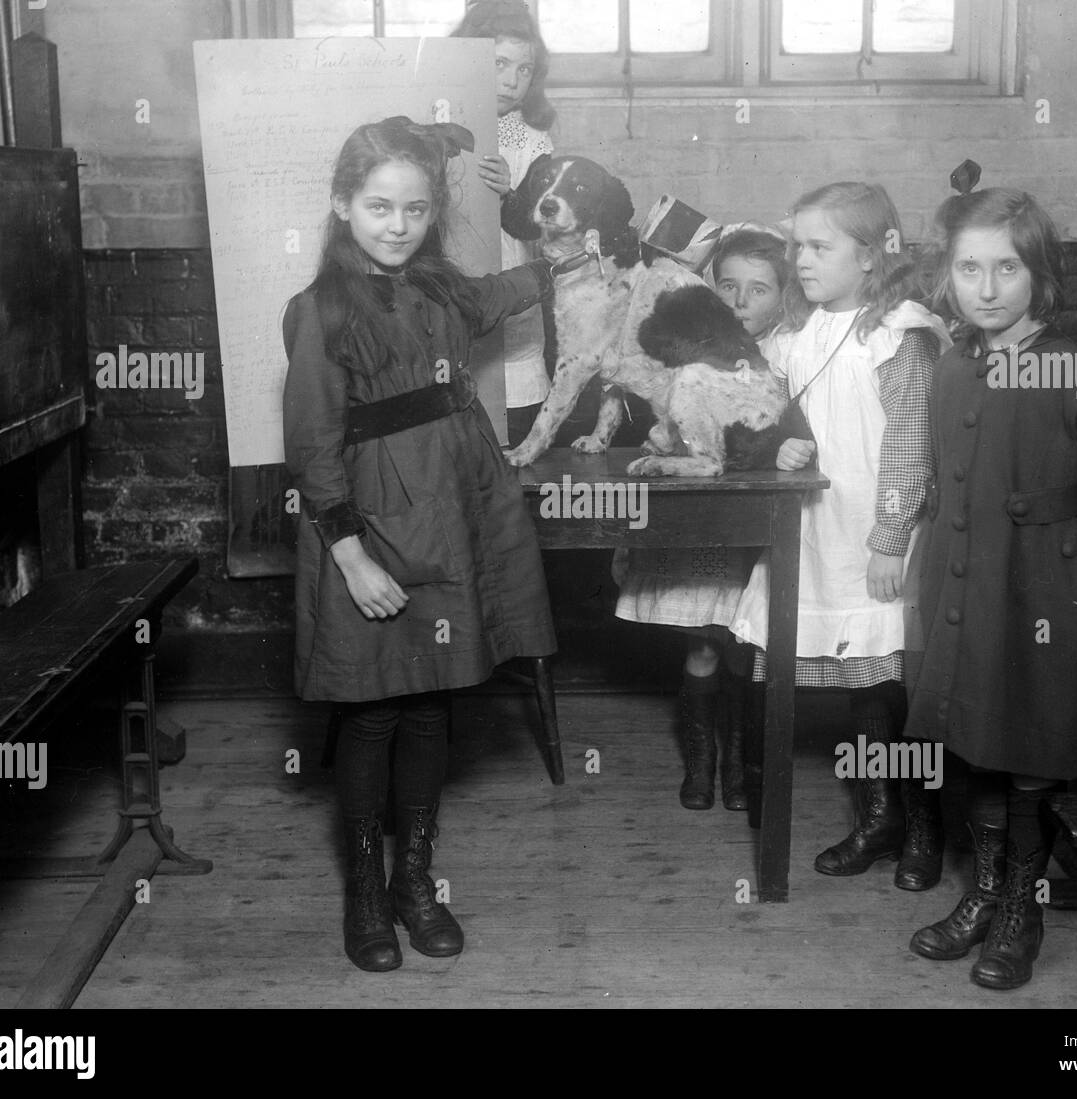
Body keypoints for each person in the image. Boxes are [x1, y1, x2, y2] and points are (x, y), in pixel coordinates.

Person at [281, 117, 555, 972]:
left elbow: (508, 292)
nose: (397, 224)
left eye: (414, 209)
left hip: (453, 516)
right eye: (378, 207)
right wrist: (351, 555)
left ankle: (416, 883)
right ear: (342, 206)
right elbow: (313, 446)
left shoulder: (443, 293)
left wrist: (571, 261)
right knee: (372, 715)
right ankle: (364, 892)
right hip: (368, 528)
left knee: (434, 702)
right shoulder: (319, 310)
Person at [906, 179, 1077, 989]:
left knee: (1031, 744)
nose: (988, 288)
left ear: (1040, 275)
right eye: (970, 269)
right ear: (949, 278)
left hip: (1039, 588)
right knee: (977, 741)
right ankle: (986, 891)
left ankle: (1021, 910)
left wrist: (1036, 516)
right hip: (965, 585)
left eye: (1007, 269)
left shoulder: (1073, 370)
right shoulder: (950, 366)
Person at [729, 185, 952, 890]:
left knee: (901, 686)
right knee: (864, 690)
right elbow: (772, 418)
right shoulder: (803, 335)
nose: (800, 259)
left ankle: (923, 827)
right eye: (796, 244)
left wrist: (890, 535)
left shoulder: (900, 332)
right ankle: (878, 814)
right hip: (819, 532)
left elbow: (909, 446)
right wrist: (780, 448)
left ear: (873, 252)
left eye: (819, 246)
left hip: (881, 535)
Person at [613, 226, 791, 812]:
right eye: (728, 286)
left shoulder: (785, 357)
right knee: (703, 645)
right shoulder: (697, 356)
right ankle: (701, 765)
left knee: (743, 649)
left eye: (758, 290)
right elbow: (673, 424)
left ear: (783, 299)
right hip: (699, 526)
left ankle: (740, 768)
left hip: (756, 527)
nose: (740, 302)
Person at [451, 0, 558, 445]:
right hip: (453, 279)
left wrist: (510, 194)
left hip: (509, 287)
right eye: (499, 62)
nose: (511, 79)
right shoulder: (441, 117)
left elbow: (537, 229)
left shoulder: (532, 140)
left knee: (509, 426)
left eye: (524, 69)